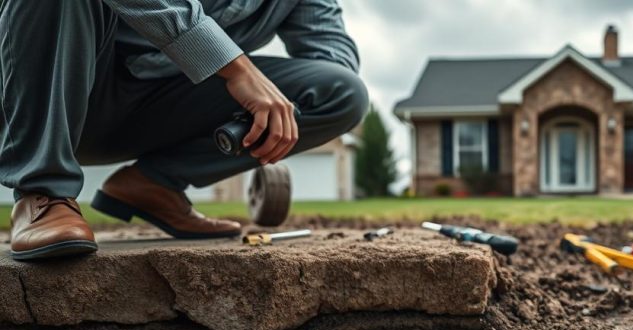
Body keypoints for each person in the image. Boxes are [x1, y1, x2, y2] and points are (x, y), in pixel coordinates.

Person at [0, 0, 368, 261]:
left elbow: (332, 54)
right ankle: (42, 194)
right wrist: (236, 68)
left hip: (160, 109)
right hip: (57, 91)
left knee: (342, 92)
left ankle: (152, 183)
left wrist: (275, 120)